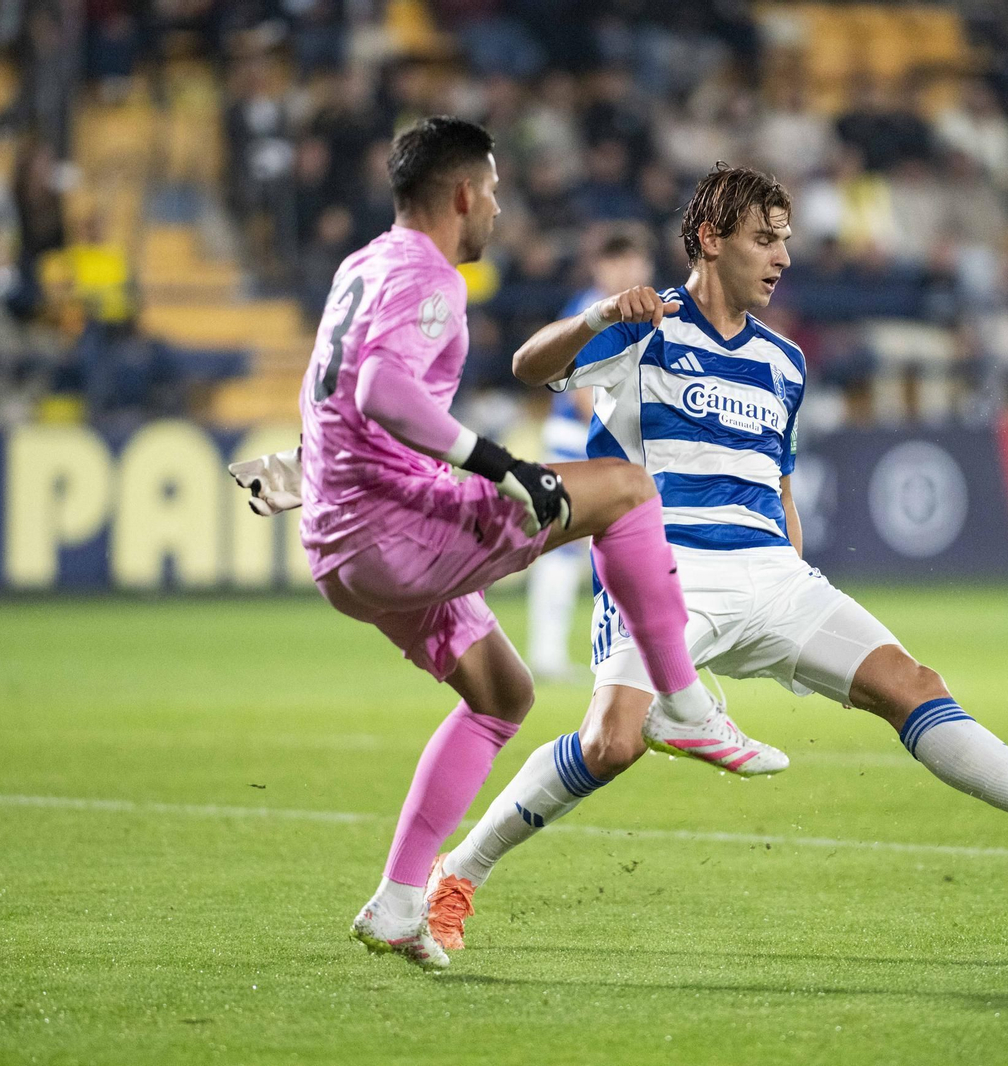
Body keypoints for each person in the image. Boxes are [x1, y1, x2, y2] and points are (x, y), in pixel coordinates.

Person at [422, 164, 1008, 953]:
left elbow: (777, 486)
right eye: (764, 239)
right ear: (711, 240)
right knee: (612, 743)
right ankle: (459, 873)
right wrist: (599, 315)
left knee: (912, 685)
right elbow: (529, 367)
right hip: (667, 573)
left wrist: (798, 582)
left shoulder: (786, 362)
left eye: (785, 241)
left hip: (775, 577)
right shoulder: (644, 325)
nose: (782, 257)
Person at [226, 119, 784, 971]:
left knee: (502, 693)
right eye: (490, 190)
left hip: (337, 545)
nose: (496, 207)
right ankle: (682, 701)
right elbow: (380, 389)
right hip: (398, 528)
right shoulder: (433, 277)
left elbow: (338, 393)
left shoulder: (361, 267)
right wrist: (502, 465)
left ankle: (399, 902)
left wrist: (309, 468)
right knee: (627, 490)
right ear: (461, 195)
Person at [527, 230, 654, 680]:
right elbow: (583, 392)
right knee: (565, 548)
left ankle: (618, 649)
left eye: (632, 260)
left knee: (605, 548)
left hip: (602, 442)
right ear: (599, 268)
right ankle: (547, 653)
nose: (626, 271)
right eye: (616, 262)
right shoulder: (587, 311)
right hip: (577, 439)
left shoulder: (644, 312)